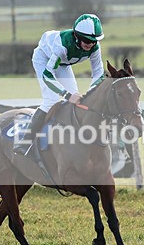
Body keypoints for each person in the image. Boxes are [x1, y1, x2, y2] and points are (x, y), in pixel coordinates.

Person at [13, 13, 106, 155]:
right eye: (86, 40)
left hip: (63, 63)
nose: (90, 44)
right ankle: (25, 141)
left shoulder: (94, 47)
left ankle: (71, 137)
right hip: (44, 59)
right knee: (52, 100)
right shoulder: (62, 45)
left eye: (94, 41)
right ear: (77, 36)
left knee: (77, 101)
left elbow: (98, 73)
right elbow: (48, 75)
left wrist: (91, 94)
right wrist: (67, 95)